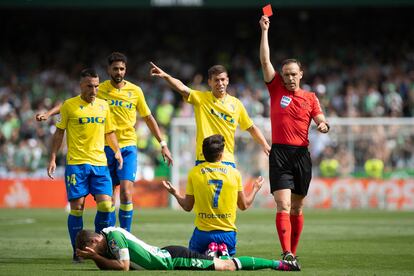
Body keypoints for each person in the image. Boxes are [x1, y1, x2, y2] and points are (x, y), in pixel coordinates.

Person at [38, 52, 173, 232]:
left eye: (122, 69)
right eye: (115, 68)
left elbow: (149, 118)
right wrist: (48, 113)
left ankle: (125, 237)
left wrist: (163, 144)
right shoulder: (97, 88)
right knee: (106, 202)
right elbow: (68, 104)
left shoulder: (135, 91)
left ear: (126, 70)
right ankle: (103, 237)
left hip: (127, 147)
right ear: (109, 69)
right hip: (104, 150)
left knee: (126, 192)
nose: (119, 72)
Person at [259, 15, 330, 264]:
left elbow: (320, 117)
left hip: (301, 155)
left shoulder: (310, 97)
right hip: (279, 153)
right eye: (286, 74)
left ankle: (293, 251)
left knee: (297, 208)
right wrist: (264, 31)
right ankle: (286, 253)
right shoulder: (275, 87)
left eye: (293, 74)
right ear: (282, 75)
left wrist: (322, 124)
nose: (289, 78)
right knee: (283, 205)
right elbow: (265, 60)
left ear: (301, 74)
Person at [47, 68, 123, 262]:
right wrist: (53, 157)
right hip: (76, 164)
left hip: (100, 164)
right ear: (81, 86)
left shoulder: (104, 106)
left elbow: (110, 132)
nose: (94, 90)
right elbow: (59, 133)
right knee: (77, 208)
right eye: (89, 86)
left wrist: (117, 151)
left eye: (96, 86)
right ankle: (77, 251)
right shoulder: (68, 106)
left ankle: (100, 248)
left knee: (107, 206)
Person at [150, 62, 270, 168]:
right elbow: (182, 88)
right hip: (204, 159)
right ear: (210, 82)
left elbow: (251, 128)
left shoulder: (236, 104)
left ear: (227, 80)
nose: (220, 83)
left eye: (223, 79)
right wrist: (166, 76)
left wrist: (265, 145)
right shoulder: (201, 98)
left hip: (226, 160)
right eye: (216, 80)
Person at [162, 134, 264, 257]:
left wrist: (175, 193)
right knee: (227, 262)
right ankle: (222, 250)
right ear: (221, 154)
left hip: (203, 234)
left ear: (203, 153)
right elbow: (244, 205)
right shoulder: (234, 173)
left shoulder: (195, 173)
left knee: (194, 258)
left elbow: (187, 207)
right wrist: (255, 189)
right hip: (228, 234)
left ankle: (210, 250)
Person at [75, 227, 300, 271]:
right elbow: (109, 267)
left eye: (92, 250)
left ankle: (280, 264)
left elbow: (122, 267)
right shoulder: (107, 243)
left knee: (227, 267)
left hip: (174, 259)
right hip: (168, 255)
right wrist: (96, 257)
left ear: (94, 241)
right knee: (216, 262)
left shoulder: (113, 237)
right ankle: (214, 251)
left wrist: (95, 257)